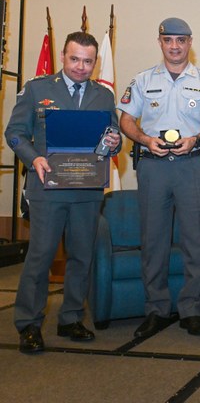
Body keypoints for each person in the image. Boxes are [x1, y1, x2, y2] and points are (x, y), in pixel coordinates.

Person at [5, 31, 121, 353]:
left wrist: (115, 142)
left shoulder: (104, 95)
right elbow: (14, 134)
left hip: (87, 190)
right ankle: (29, 323)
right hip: (48, 188)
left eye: (88, 61)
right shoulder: (37, 89)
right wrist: (33, 158)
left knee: (81, 256)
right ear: (62, 56)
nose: (81, 67)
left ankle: (70, 318)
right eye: (74, 59)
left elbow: (113, 140)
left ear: (95, 62)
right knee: (40, 256)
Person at [118, 17, 200, 337]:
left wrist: (198, 139)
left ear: (190, 43)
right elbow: (126, 119)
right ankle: (156, 309)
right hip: (153, 167)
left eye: (181, 40)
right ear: (160, 42)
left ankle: (191, 309)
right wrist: (144, 139)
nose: (175, 46)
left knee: (195, 240)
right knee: (153, 241)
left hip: (191, 166)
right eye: (168, 40)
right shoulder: (142, 80)